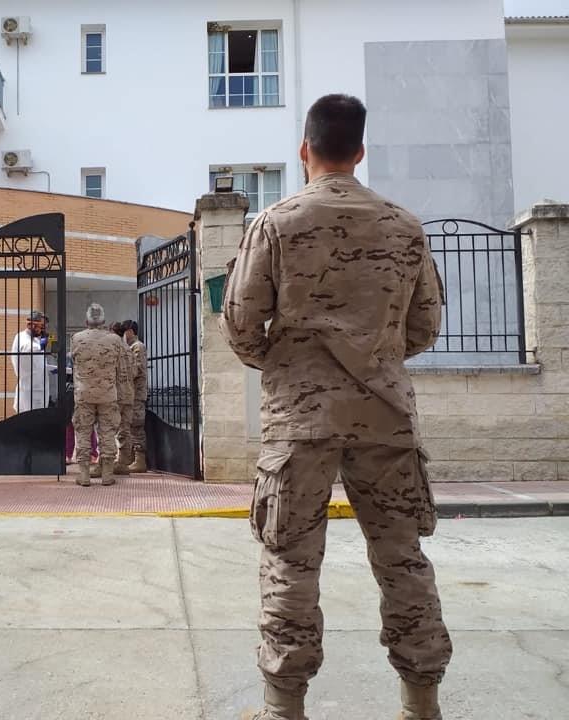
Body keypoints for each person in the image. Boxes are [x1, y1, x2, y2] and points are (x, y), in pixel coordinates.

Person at [219, 94, 450, 720]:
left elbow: (241, 326)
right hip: (386, 418)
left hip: (299, 423)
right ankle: (421, 701)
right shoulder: (405, 226)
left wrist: (291, 367)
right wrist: (374, 355)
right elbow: (425, 327)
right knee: (402, 558)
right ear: (360, 152)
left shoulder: (275, 223)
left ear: (304, 150)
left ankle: (283, 706)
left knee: (291, 560)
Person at [70, 304, 123, 486]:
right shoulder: (115, 339)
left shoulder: (77, 338)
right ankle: (107, 474)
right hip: (108, 394)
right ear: (104, 322)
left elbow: (73, 361)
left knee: (83, 432)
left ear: (86, 321)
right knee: (108, 433)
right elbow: (122, 367)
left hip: (84, 394)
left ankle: (84, 474)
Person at [108, 320, 134, 475]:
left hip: (115, 393)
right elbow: (135, 372)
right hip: (129, 394)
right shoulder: (128, 348)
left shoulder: (112, 348)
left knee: (109, 429)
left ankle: (107, 463)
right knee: (125, 430)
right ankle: (123, 463)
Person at [122, 319, 149, 473]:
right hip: (130, 393)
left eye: (125, 331)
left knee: (137, 425)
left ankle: (140, 460)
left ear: (130, 331)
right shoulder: (130, 347)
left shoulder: (137, 347)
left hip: (136, 394)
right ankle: (131, 457)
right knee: (131, 425)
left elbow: (136, 370)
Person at [10, 311, 49, 413]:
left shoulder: (35, 340)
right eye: (41, 327)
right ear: (31, 325)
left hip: (39, 389)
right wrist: (42, 343)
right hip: (29, 391)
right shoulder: (21, 338)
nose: (42, 331)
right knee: (28, 423)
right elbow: (27, 348)